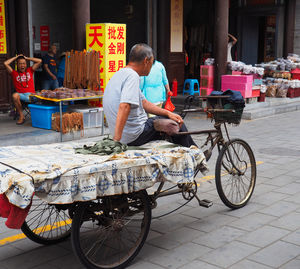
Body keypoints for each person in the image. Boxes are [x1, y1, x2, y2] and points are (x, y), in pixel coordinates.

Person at [103, 43, 196, 147]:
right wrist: (116, 140)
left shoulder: (120, 74)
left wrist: (168, 113)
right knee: (177, 123)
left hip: (127, 135)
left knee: (169, 117)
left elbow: (144, 103)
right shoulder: (132, 76)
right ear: (146, 61)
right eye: (151, 64)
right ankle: (194, 152)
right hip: (135, 135)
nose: (150, 68)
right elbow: (124, 106)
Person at [4, 54, 42, 125]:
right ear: (17, 65)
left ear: (26, 64)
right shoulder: (14, 73)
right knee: (15, 95)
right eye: (20, 64)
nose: (22, 65)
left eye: (24, 63)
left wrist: (27, 58)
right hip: (21, 96)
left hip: (31, 95)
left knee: (40, 95)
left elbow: (39, 61)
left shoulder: (30, 70)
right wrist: (16, 57)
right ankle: (21, 116)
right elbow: (5, 63)